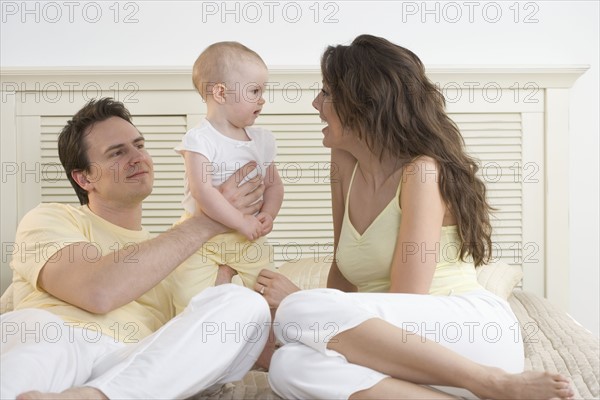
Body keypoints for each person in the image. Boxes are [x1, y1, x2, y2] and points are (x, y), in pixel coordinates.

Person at [254, 35, 574, 399]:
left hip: (463, 334)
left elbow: (409, 300)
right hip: (394, 346)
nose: (315, 103)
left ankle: (491, 383)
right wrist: (314, 330)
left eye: (326, 93)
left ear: (364, 103)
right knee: (288, 367)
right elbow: (341, 277)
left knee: (299, 310)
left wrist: (302, 306)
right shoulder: (344, 164)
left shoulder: (421, 172)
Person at [0, 98, 271, 400]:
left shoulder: (179, 253)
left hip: (130, 365)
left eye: (139, 145)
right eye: (117, 152)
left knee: (245, 305)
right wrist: (208, 222)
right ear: (84, 177)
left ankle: (96, 396)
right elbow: (97, 292)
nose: (137, 157)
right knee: (39, 327)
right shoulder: (51, 217)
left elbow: (201, 337)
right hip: (58, 339)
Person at [170, 41, 284, 314]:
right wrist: (240, 220)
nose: (262, 99)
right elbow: (203, 191)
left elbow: (273, 185)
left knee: (267, 289)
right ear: (221, 92)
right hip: (202, 240)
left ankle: (267, 349)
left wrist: (268, 213)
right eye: (255, 91)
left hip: (248, 238)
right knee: (187, 294)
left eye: (262, 91)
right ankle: (192, 340)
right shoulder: (200, 140)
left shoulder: (261, 140)